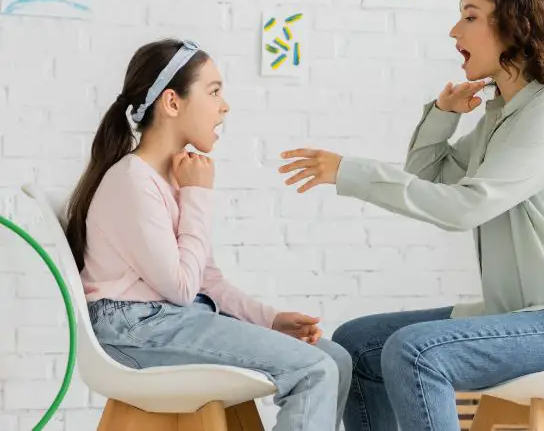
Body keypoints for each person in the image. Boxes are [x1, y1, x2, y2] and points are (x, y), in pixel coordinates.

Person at [278, 0, 544, 431]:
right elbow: (429, 177)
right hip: (515, 313)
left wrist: (350, 172)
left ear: (513, 26)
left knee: (414, 351)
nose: (453, 30)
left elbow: (464, 208)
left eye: (469, 16)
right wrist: (443, 114)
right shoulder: (502, 116)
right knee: (357, 342)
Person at [66, 38, 351, 431]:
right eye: (214, 91)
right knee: (314, 369)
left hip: (169, 320)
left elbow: (206, 280)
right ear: (172, 103)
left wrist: (270, 320)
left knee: (335, 358)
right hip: (134, 329)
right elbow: (182, 289)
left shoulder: (172, 177)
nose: (225, 105)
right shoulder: (134, 181)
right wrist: (198, 194)